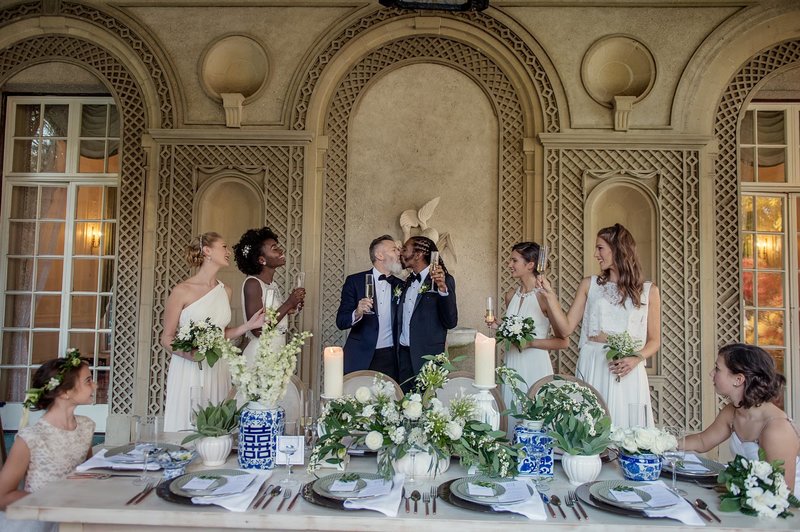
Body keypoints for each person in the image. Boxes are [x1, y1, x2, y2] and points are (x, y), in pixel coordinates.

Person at [543, 223, 661, 427]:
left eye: (600, 248)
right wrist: (551, 297)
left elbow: (655, 341)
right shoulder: (590, 284)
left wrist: (635, 359)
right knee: (590, 427)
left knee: (626, 428)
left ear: (617, 249)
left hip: (627, 369)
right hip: (594, 363)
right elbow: (566, 329)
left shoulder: (649, 291)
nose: (596, 254)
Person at [160, 232, 264, 431]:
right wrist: (190, 355)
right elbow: (166, 338)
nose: (228, 251)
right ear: (207, 251)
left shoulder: (226, 291)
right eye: (224, 246)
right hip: (188, 367)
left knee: (216, 425)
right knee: (188, 422)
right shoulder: (182, 290)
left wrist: (248, 325)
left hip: (217, 365)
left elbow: (221, 333)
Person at [684, 344, 799, 495]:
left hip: (780, 504)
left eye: (717, 369)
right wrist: (660, 444)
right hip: (749, 494)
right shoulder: (733, 411)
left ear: (738, 379)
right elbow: (702, 441)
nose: (711, 373)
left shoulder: (776, 429)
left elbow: (784, 492)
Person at [0, 350, 95, 531]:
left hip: (74, 516)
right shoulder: (31, 438)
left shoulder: (86, 426)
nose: (95, 385)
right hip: (36, 521)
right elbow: (2, 496)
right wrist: (52, 501)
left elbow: (88, 473)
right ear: (65, 392)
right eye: (88, 381)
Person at [486, 242, 569, 420]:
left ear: (530, 265)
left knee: (534, 417)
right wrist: (499, 327)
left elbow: (563, 341)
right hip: (512, 362)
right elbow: (513, 332)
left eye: (514, 260)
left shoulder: (543, 297)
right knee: (512, 412)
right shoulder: (510, 296)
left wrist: (530, 343)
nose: (509, 265)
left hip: (535, 364)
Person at [233, 227, 305, 372]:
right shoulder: (253, 284)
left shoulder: (272, 284)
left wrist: (290, 309)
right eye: (274, 248)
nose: (280, 251)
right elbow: (257, 330)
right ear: (261, 259)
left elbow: (272, 315)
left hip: (277, 351)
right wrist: (288, 303)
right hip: (261, 356)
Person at [336, 235, 404, 378]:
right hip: (360, 356)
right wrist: (357, 312)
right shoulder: (354, 281)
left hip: (391, 358)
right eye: (394, 250)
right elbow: (341, 321)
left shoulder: (401, 285)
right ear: (379, 255)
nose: (399, 253)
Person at [397, 236, 458, 391]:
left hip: (427, 358)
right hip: (403, 357)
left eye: (405, 249)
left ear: (418, 255)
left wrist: (443, 290)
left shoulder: (444, 280)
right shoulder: (408, 281)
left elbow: (451, 322)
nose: (401, 253)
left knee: (428, 407)